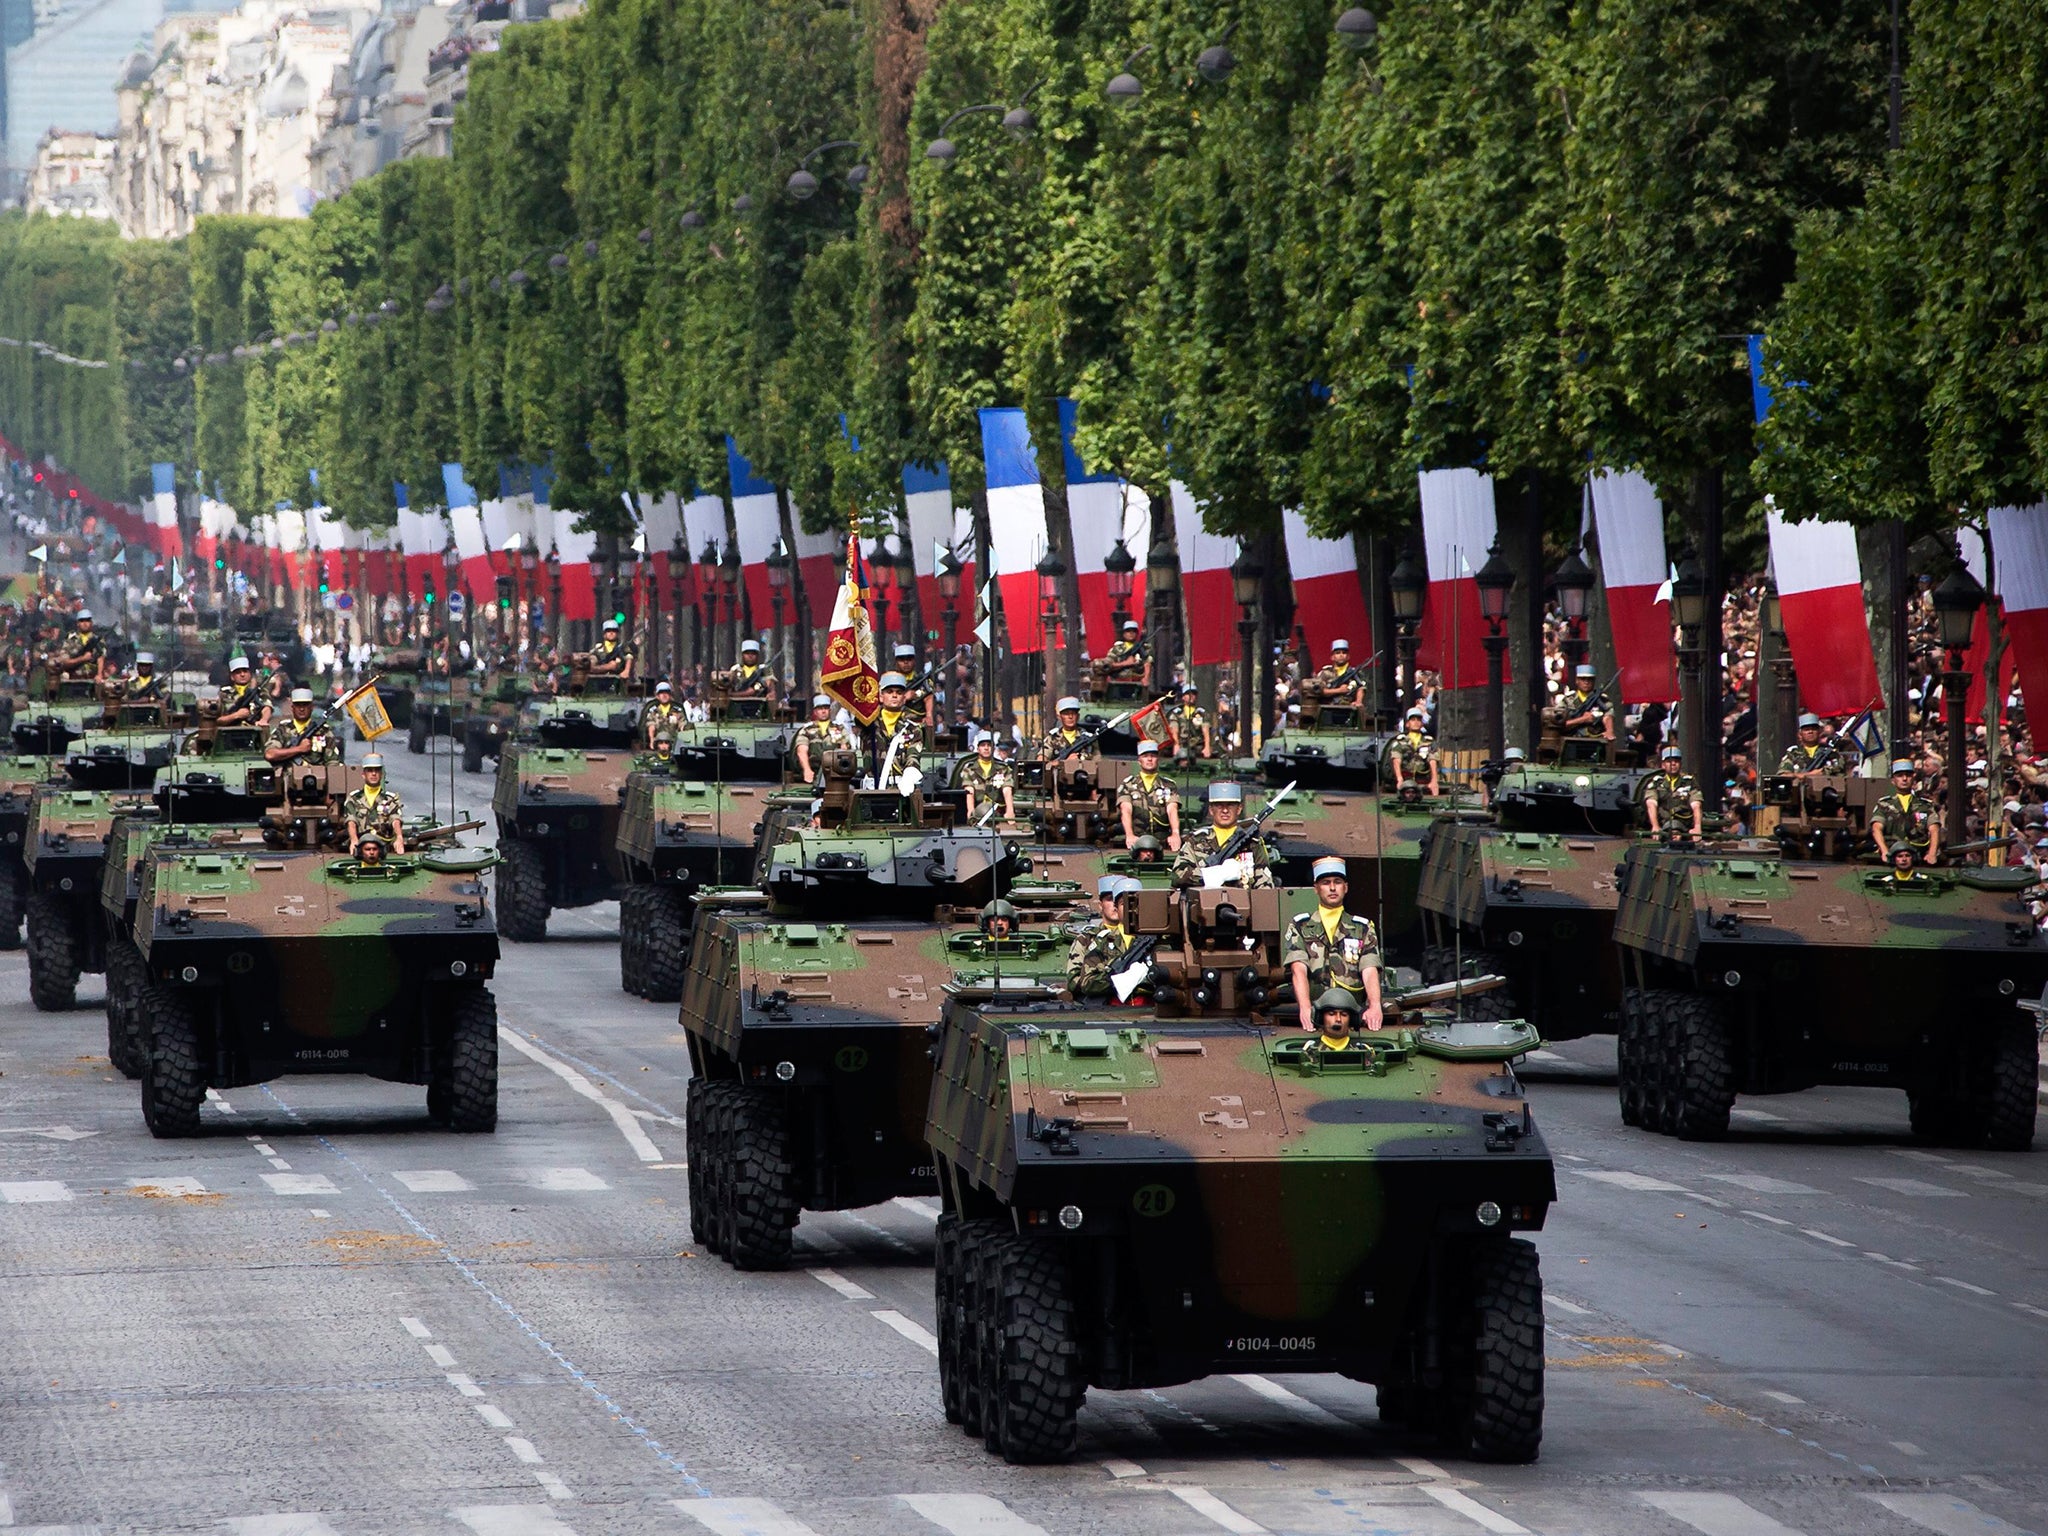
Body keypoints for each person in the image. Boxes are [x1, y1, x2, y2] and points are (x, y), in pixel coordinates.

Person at [1284, 856, 1384, 1031]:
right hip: (1316, 1009)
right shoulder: (1300, 925)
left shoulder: (1362, 927)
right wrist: (1305, 1007)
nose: (1332, 888)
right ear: (1316, 888)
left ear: (1345, 888)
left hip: (1351, 1010)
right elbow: (1298, 969)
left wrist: (1375, 1006)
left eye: (1337, 882)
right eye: (1325, 882)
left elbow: (1369, 969)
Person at [1171, 781, 1276, 889]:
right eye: (1219, 805)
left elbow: (1264, 885)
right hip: (1204, 902)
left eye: (1230, 805)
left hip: (1243, 903)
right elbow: (1177, 876)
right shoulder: (1196, 841)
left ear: (1239, 808)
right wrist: (1213, 874)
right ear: (1211, 810)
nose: (1225, 810)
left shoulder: (1252, 843)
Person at [1067, 876, 1140, 999]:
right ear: (1101, 905)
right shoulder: (1090, 939)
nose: (1114, 905)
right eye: (1110, 899)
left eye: (1131, 901)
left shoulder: (1146, 936)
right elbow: (1075, 982)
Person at [1872, 758, 1941, 865]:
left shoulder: (1925, 805)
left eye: (1908, 775)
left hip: (1919, 856)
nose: (1904, 779)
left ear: (1913, 778)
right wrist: (1884, 851)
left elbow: (1934, 830)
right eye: (1899, 775)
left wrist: (1932, 853)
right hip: (1891, 855)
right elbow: (1876, 828)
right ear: (1893, 780)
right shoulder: (1884, 804)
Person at [1116, 739, 1181, 850]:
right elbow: (1126, 810)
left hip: (1162, 840)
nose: (1149, 759)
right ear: (1139, 760)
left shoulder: (1168, 785)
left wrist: (1175, 833)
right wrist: (1129, 835)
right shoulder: (1128, 785)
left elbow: (1172, 810)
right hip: (1137, 840)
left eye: (1153, 755)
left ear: (1158, 759)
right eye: (1145, 756)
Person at [342, 753, 406, 854]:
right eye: (370, 770)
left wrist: (399, 837)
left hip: (384, 846)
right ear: (363, 774)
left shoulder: (390, 799)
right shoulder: (354, 798)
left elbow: (395, 819)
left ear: (382, 774)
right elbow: (351, 821)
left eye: (377, 770)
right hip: (362, 847)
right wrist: (354, 839)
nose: (373, 774)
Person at [265, 688, 340, 765]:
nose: (301, 709)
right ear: (292, 707)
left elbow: (333, 762)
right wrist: (299, 749)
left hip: (316, 776)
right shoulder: (283, 730)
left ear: (312, 707)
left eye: (305, 705)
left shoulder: (324, 732)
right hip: (288, 776)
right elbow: (270, 754)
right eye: (298, 705)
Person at [1643, 745, 1704, 838]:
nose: (1673, 764)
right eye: (1669, 761)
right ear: (1663, 765)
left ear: (1680, 763)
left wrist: (1697, 828)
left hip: (1684, 825)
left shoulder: (1689, 782)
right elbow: (1651, 804)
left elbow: (1696, 805)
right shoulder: (1656, 783)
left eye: (1676, 761)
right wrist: (1655, 826)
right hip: (1663, 825)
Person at [956, 730, 1016, 821]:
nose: (986, 748)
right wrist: (971, 812)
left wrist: (1010, 811)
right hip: (979, 810)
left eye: (989, 745)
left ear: (994, 748)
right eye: (983, 745)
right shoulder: (969, 769)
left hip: (998, 811)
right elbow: (969, 791)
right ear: (978, 748)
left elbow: (1007, 790)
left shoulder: (1003, 768)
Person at [795, 695, 854, 781]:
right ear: (815, 711)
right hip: (812, 773)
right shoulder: (807, 729)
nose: (823, 711)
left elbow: (845, 750)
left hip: (835, 773)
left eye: (826, 708)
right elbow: (801, 751)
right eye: (820, 708)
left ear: (830, 710)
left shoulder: (839, 728)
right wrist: (807, 770)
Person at [874, 672, 923, 771]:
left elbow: (913, 754)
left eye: (899, 692)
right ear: (881, 696)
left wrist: (911, 772)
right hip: (873, 783)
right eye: (889, 691)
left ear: (904, 698)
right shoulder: (870, 723)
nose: (894, 695)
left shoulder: (912, 726)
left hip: (902, 783)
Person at [1389, 708, 1440, 796]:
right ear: (1407, 724)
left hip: (1423, 779)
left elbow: (1433, 760)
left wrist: (1434, 781)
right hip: (1405, 779)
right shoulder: (1400, 741)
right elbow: (1396, 760)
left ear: (1422, 723)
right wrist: (1399, 779)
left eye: (1418, 720)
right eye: (1413, 720)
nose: (1416, 722)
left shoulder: (1429, 741)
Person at [1777, 713, 1843, 778]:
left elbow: (1837, 770)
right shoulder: (1793, 754)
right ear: (1800, 734)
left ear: (1819, 732)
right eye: (1806, 729)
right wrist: (1809, 774)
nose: (1810, 731)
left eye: (1814, 729)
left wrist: (1798, 775)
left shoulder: (1831, 753)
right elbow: (1783, 775)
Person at [50, 609, 107, 681]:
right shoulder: (70, 639)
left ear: (91, 622)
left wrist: (99, 674)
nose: (85, 623)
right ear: (78, 623)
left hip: (93, 678)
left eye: (87, 620)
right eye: (82, 621)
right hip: (74, 678)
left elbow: (101, 658)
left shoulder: (97, 639)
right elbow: (64, 661)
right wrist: (82, 659)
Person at [1309, 987, 1371, 1053]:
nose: (1338, 1019)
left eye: (1344, 1014)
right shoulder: (1310, 1051)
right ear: (1320, 1018)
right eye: (1331, 1014)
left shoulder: (1363, 1051)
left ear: (1352, 1020)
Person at [1560, 664, 1612, 739]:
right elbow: (1558, 724)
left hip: (1595, 740)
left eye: (1589, 679)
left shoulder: (1602, 699)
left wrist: (1610, 731)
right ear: (1577, 681)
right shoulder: (1567, 700)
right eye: (1583, 679)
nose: (1586, 682)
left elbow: (1608, 716)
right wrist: (1582, 720)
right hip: (1572, 741)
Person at [1310, 640, 1365, 711]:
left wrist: (1358, 702)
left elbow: (1361, 688)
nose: (1341, 655)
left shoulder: (1354, 672)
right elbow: (1319, 691)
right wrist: (1339, 690)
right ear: (1332, 657)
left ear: (1348, 656)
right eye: (1337, 653)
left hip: (1349, 707)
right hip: (1329, 708)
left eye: (1344, 653)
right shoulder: (1325, 672)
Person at [218, 654, 270, 728]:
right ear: (232, 676)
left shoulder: (259, 690)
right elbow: (218, 720)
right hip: (231, 731)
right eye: (238, 672)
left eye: (245, 671)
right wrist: (236, 715)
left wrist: (263, 720)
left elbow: (267, 707)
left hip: (255, 729)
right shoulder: (224, 693)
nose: (242, 674)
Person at [1166, 682, 1213, 763]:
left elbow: (1206, 730)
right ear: (1183, 697)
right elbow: (1174, 730)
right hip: (1181, 746)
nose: (1191, 696)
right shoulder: (1177, 713)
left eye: (1194, 694)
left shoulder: (1201, 713)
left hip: (1197, 746)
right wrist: (1176, 745)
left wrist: (1207, 746)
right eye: (1188, 694)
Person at [1037, 696, 1092, 763]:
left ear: (1078, 716)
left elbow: (1098, 764)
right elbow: (1041, 762)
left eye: (1073, 713)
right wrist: (1064, 762)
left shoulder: (1088, 738)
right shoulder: (1052, 738)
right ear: (1059, 717)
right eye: (1066, 713)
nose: (1070, 717)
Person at [641, 680, 684, 748]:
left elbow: (682, 725)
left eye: (666, 692)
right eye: (661, 693)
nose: (664, 695)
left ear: (670, 695)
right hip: (658, 744)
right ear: (657, 696)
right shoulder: (653, 711)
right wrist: (652, 741)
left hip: (674, 744)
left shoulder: (678, 711)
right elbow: (651, 726)